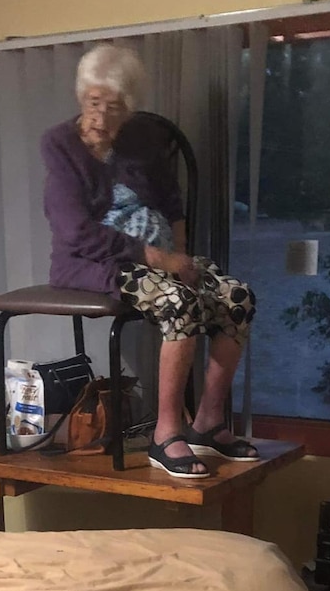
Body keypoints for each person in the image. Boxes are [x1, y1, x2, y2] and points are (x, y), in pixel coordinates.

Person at [41, 43, 258, 479]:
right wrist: (161, 261)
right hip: (94, 262)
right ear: (81, 96)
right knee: (179, 302)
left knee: (237, 297)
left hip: (161, 256)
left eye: (114, 107)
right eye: (93, 103)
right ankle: (165, 434)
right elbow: (76, 232)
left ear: (130, 108)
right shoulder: (60, 145)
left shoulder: (142, 138)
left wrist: (181, 257)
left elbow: (172, 203)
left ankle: (209, 423)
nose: (101, 117)